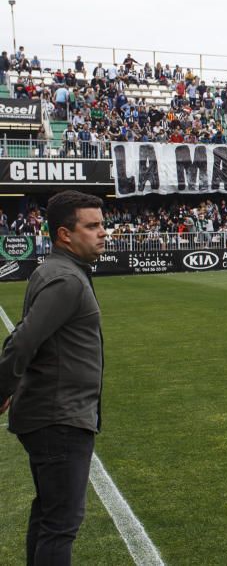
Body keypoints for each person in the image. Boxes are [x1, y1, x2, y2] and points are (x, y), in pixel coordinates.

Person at [0, 190, 107, 564]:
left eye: (102, 225)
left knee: (49, 515)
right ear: (65, 234)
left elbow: (22, 336)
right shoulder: (66, 279)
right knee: (61, 523)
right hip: (59, 417)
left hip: (52, 413)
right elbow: (22, 342)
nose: (103, 233)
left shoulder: (55, 270)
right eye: (92, 226)